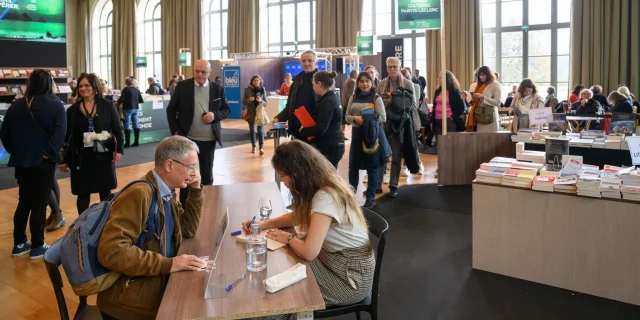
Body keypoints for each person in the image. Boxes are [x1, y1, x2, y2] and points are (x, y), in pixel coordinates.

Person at [241, 140, 374, 320]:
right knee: (284, 273)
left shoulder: (324, 197)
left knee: (287, 293)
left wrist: (287, 237)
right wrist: (263, 224)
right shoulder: (323, 185)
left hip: (350, 277)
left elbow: (309, 252)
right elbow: (298, 216)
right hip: (339, 262)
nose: (281, 180)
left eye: (282, 175)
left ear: (297, 174)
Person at [97, 136, 206, 320]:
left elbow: (188, 229)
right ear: (169, 165)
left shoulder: (166, 191)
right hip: (129, 303)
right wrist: (169, 264)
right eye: (191, 166)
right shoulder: (140, 194)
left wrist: (195, 189)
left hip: (151, 283)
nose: (195, 172)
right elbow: (111, 251)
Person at [0, 69, 66, 259]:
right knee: (39, 203)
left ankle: (19, 243)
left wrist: (15, 150)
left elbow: (4, 133)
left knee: (24, 201)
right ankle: (37, 246)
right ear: (48, 84)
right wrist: (49, 155)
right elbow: (59, 135)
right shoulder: (56, 106)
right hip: (43, 163)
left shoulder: (16, 105)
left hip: (22, 162)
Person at [166, 59, 230, 207]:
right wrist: (175, 131)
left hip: (208, 140)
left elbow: (226, 109)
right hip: (187, 140)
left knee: (206, 174)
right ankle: (184, 207)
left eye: (203, 72)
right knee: (185, 174)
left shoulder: (217, 89)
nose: (199, 75)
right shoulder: (182, 86)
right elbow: (170, 109)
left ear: (209, 73)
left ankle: (206, 205)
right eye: (197, 71)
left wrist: (214, 116)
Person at [59, 73, 124, 215]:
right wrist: (63, 159)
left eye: (86, 85)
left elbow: (117, 128)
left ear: (95, 87)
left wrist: (119, 150)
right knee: (82, 194)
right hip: (81, 158)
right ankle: (82, 225)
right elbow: (67, 136)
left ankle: (105, 222)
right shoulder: (72, 110)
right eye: (80, 86)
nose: (83, 88)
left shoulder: (107, 105)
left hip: (103, 154)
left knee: (105, 192)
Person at [377, 57, 419, 198]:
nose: (392, 69)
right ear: (386, 68)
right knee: (382, 155)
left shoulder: (407, 84)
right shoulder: (382, 84)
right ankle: (377, 185)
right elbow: (376, 102)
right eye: (389, 67)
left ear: (400, 67)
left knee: (396, 156)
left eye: (395, 66)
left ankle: (393, 185)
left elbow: (413, 106)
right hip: (383, 123)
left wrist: (393, 102)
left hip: (399, 125)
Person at [345, 72, 387, 208]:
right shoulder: (353, 97)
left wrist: (368, 120)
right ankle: (351, 197)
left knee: (372, 167)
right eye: (362, 81)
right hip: (356, 135)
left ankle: (370, 198)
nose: (364, 84)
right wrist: (355, 119)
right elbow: (346, 116)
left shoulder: (376, 98)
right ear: (358, 83)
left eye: (367, 81)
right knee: (353, 167)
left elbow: (382, 117)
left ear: (372, 82)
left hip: (371, 136)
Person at [298, 71, 345, 168]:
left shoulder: (328, 101)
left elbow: (321, 128)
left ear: (319, 84)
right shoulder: (332, 97)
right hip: (332, 143)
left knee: (327, 179)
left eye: (313, 84)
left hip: (330, 146)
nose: (313, 87)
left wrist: (303, 131)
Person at [272, 50, 319, 140]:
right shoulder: (297, 80)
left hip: (313, 129)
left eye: (310, 60)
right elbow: (290, 105)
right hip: (296, 128)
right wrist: (279, 118)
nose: (306, 63)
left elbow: (323, 107)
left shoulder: (321, 80)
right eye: (303, 61)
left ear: (316, 62)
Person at [466, 66, 502, 132]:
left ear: (488, 74)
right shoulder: (477, 85)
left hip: (489, 116)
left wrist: (482, 97)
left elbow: (498, 102)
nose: (481, 77)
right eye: (479, 75)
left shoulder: (495, 85)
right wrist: (472, 100)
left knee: (489, 139)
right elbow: (470, 100)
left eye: (483, 75)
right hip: (477, 115)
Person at [430, 71, 465, 136]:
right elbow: (434, 107)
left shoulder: (454, 91)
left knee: (450, 143)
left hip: (449, 120)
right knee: (439, 143)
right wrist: (432, 121)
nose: (438, 79)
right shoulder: (437, 91)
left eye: (440, 78)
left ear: (446, 79)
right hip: (437, 120)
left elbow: (461, 107)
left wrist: (453, 117)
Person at [242, 75, 268, 155]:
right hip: (251, 112)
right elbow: (243, 102)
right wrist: (249, 100)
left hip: (259, 113)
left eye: (257, 80)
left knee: (260, 131)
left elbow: (266, 103)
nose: (256, 82)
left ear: (260, 81)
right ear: (252, 81)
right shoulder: (247, 90)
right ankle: (253, 146)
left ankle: (261, 148)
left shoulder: (262, 89)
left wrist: (261, 101)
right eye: (254, 81)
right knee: (252, 130)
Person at [117, 77, 145, 148]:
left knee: (127, 124)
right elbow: (141, 100)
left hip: (127, 108)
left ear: (126, 83)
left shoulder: (125, 89)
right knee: (136, 124)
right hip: (135, 108)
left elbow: (121, 99)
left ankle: (127, 143)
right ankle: (136, 142)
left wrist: (118, 102)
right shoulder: (137, 89)